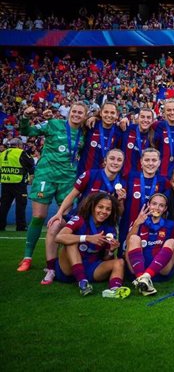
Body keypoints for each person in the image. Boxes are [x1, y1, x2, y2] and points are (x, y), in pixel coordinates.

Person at [17, 102, 88, 272]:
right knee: (39, 216)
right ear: (69, 112)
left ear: (85, 116)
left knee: (64, 219)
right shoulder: (54, 124)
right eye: (74, 111)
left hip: (68, 179)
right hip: (46, 175)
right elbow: (26, 131)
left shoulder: (85, 132)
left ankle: (59, 260)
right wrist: (26, 117)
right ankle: (27, 257)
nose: (77, 115)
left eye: (81, 113)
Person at [41, 148, 127, 284]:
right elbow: (72, 195)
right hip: (79, 218)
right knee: (55, 226)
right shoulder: (90, 174)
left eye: (119, 160)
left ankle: (87, 271)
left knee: (96, 247)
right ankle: (51, 269)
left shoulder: (122, 184)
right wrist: (59, 213)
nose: (115, 162)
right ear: (105, 161)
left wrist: (121, 200)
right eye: (112, 158)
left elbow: (119, 212)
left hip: (101, 222)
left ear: (123, 163)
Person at [54, 192, 130, 298]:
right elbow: (59, 237)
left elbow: (105, 258)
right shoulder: (79, 219)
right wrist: (87, 238)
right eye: (100, 207)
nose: (104, 211)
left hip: (92, 267)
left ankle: (114, 290)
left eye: (108, 209)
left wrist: (111, 251)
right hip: (69, 269)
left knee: (120, 262)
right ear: (93, 206)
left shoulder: (110, 228)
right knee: (71, 241)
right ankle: (83, 282)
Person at [125, 193, 174, 295]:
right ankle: (142, 278)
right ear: (148, 205)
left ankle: (146, 277)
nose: (157, 208)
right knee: (134, 238)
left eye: (161, 205)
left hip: (160, 271)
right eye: (154, 204)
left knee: (172, 241)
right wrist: (137, 223)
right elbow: (127, 244)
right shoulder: (139, 221)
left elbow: (173, 249)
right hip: (137, 269)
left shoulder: (170, 224)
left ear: (165, 208)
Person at [121, 148, 170, 252]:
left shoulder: (164, 182)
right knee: (126, 257)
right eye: (147, 160)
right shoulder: (130, 177)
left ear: (159, 163)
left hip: (152, 227)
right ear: (141, 162)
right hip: (129, 224)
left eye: (154, 160)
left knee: (148, 256)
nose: (150, 163)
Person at [78, 101, 122, 175]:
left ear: (117, 115)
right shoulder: (90, 125)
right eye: (106, 112)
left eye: (112, 113)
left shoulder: (119, 132)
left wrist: (124, 120)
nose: (109, 115)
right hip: (84, 173)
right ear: (101, 113)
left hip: (104, 176)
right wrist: (93, 117)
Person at [0, 138, 34, 231]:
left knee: (4, 205)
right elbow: (31, 164)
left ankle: (1, 225)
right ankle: (21, 226)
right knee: (20, 205)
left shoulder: (2, 154)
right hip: (18, 183)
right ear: (19, 145)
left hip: (5, 182)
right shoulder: (21, 153)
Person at [153, 98, 174, 178]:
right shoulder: (157, 126)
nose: (172, 112)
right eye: (169, 110)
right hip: (161, 174)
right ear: (164, 112)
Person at [119, 107, 155, 178]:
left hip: (143, 179)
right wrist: (94, 117)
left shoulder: (155, 135)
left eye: (148, 117)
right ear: (137, 119)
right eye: (142, 117)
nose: (145, 120)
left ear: (153, 121)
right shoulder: (127, 128)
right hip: (125, 176)